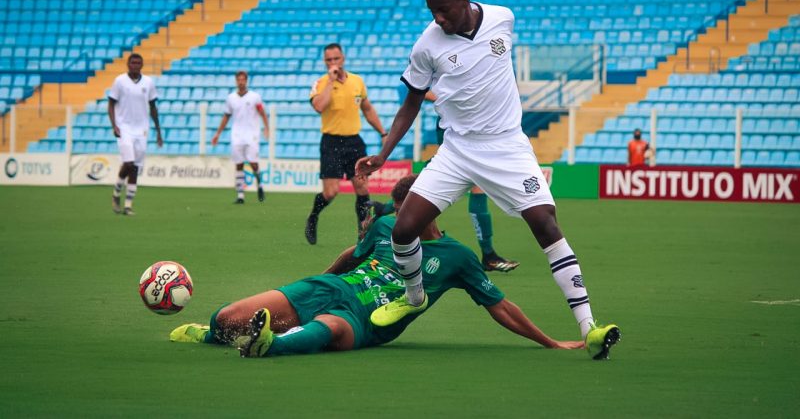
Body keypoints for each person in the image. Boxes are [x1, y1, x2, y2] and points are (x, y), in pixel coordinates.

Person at [355, 0, 619, 355]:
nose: (438, 18)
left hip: (507, 146)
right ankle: (413, 297)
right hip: (457, 150)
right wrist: (383, 154)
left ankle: (589, 326)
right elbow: (411, 102)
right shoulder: (426, 45)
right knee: (404, 229)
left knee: (545, 223)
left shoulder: (502, 18)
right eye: (432, 11)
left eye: (444, 10)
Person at [169, 175, 587, 358]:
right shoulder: (386, 225)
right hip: (333, 288)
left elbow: (501, 306)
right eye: (400, 211)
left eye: (409, 212)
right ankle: (212, 334)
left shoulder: (457, 257)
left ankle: (269, 345)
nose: (400, 220)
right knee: (227, 318)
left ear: (431, 208)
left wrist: (550, 342)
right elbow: (352, 254)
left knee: (328, 329)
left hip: (365, 319)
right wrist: (322, 281)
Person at [373, 91, 519, 272]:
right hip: (453, 126)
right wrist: (449, 97)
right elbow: (421, 90)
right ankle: (488, 255)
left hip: (471, 127)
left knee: (462, 182)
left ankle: (489, 255)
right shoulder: (445, 75)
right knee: (440, 179)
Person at [304, 42, 388, 245]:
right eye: (329, 60)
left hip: (354, 142)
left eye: (336, 58)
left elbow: (367, 109)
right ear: (325, 62)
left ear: (343, 58)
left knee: (362, 188)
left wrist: (383, 132)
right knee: (331, 192)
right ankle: (313, 216)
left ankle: (363, 235)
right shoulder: (320, 83)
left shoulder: (357, 81)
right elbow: (319, 106)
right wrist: (331, 82)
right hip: (331, 142)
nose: (333, 62)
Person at [108, 53, 163, 215]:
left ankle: (128, 205)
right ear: (128, 64)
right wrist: (114, 125)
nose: (135, 65)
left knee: (135, 168)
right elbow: (110, 104)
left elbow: (153, 107)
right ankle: (117, 192)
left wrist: (158, 131)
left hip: (142, 130)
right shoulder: (119, 81)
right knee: (129, 162)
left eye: (138, 63)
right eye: (133, 62)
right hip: (124, 128)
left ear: (142, 65)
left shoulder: (148, 82)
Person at [211, 71, 269, 204]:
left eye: (243, 80)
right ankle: (240, 195)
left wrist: (266, 128)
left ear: (246, 81)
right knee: (239, 164)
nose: (241, 82)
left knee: (253, 163)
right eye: (239, 80)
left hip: (252, 134)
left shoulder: (255, 97)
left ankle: (260, 184)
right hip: (237, 135)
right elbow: (226, 116)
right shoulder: (231, 98)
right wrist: (218, 134)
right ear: (236, 81)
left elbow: (262, 112)